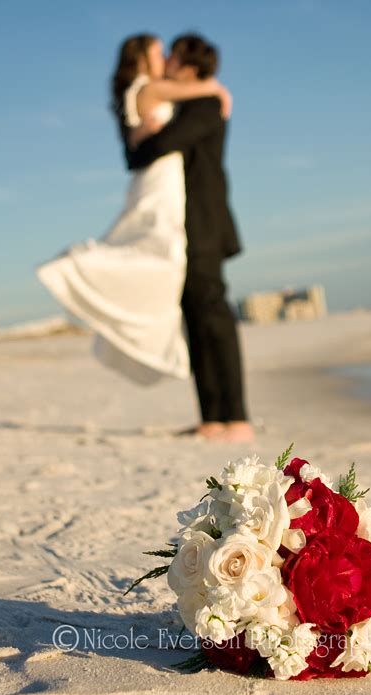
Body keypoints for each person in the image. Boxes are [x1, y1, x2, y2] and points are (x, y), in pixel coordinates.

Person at [37, 34, 231, 387]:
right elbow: (200, 91)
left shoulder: (143, 89)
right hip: (160, 180)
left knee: (157, 250)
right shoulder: (147, 88)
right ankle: (79, 270)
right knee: (159, 248)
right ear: (142, 58)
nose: (165, 58)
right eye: (159, 52)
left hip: (160, 178)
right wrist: (218, 89)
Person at [126, 34, 254, 443]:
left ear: (188, 66)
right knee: (196, 317)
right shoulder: (191, 102)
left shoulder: (205, 104)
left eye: (173, 57)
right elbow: (139, 156)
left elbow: (160, 145)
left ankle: (237, 419)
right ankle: (212, 419)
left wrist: (148, 136)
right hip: (186, 226)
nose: (165, 63)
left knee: (213, 316)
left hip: (205, 223)